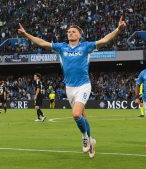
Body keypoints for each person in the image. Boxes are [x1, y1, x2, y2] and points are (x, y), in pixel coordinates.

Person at [18, 16, 126, 158]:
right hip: (69, 88)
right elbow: (42, 43)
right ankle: (91, 141)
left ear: (80, 35)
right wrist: (26, 34)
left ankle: (85, 138)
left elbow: (104, 40)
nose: (70, 33)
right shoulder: (61, 47)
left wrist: (118, 29)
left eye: (74, 31)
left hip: (83, 85)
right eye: (69, 31)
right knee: (82, 115)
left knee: (76, 114)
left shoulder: (86, 46)